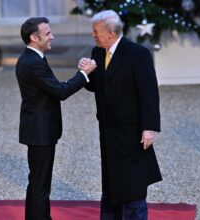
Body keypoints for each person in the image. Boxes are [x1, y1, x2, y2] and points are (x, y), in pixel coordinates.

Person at [80, 10, 162, 220]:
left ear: (110, 33)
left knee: (132, 185)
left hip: (131, 130)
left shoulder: (137, 53)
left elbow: (149, 93)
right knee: (110, 181)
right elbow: (98, 86)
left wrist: (149, 127)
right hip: (107, 130)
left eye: (95, 31)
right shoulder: (98, 52)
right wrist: (86, 74)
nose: (93, 35)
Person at [15, 17, 96, 220]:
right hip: (40, 132)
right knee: (40, 184)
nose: (53, 36)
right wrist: (84, 74)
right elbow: (60, 91)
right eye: (48, 33)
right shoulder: (33, 62)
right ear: (34, 37)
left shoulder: (33, 58)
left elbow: (51, 87)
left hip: (38, 129)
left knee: (37, 181)